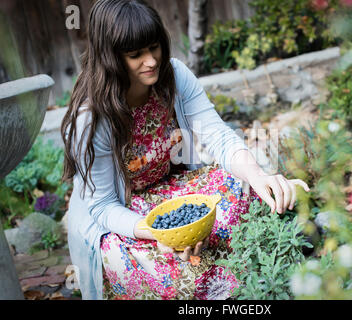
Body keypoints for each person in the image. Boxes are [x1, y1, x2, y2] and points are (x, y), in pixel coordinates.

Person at [61, 0, 309, 300]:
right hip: (124, 216)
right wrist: (162, 235)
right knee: (162, 271)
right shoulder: (91, 118)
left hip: (172, 190)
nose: (151, 61)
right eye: (135, 54)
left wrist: (259, 177)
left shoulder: (174, 75)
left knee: (247, 190)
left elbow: (218, 135)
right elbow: (102, 208)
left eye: (153, 47)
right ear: (110, 57)